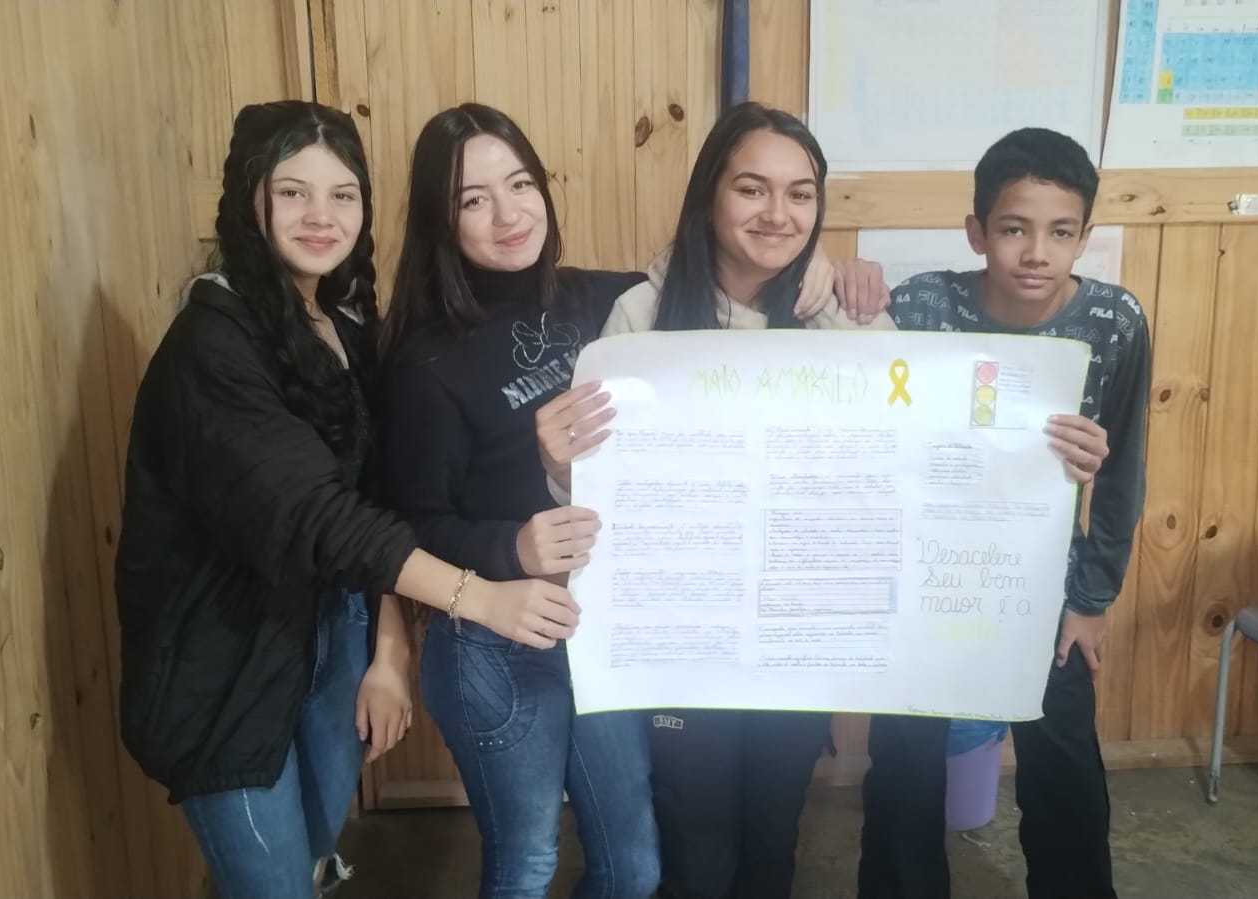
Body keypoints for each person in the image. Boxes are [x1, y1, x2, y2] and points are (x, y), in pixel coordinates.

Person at [376, 102, 887, 898]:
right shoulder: (437, 356)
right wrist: (516, 539)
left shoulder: (587, 297)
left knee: (654, 858)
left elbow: (729, 264)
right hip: (527, 628)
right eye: (473, 198)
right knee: (541, 856)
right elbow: (410, 519)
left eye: (520, 184)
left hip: (662, 625)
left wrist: (832, 269)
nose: (507, 214)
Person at [115, 100, 570, 899]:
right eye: (293, 192)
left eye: (343, 194)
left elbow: (377, 498)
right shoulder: (210, 344)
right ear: (250, 199)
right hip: (226, 670)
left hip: (332, 638)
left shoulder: (343, 320)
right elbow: (317, 515)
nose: (321, 216)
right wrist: (481, 597)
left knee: (314, 858)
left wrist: (389, 655)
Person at [533, 100, 893, 899]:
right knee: (695, 849)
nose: (777, 213)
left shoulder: (842, 315)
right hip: (682, 642)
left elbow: (900, 461)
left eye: (800, 194)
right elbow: (597, 491)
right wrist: (559, 468)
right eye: (751, 188)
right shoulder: (639, 315)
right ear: (708, 196)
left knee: (772, 838)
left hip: (796, 640)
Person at [860, 127, 1148, 899]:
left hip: (1044, 581)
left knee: (1065, 768)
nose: (1035, 253)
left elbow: (1123, 471)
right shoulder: (921, 305)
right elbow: (866, 424)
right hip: (924, 577)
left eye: (1060, 232)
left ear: (1084, 236)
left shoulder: (1113, 321)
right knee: (904, 759)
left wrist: (1092, 599)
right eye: (1014, 228)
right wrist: (851, 288)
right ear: (976, 231)